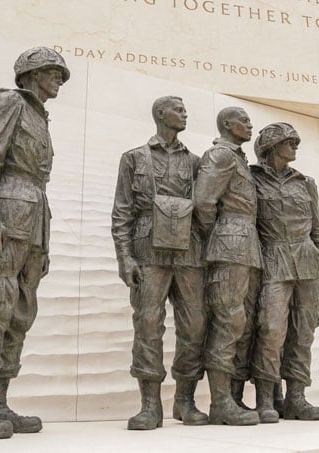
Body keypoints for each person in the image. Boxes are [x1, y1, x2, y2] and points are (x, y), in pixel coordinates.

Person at [0, 47, 69, 438]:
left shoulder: (40, 116)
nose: (59, 78)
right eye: (53, 71)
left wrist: (46, 241)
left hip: (34, 217)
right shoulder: (9, 102)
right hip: (5, 212)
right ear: (31, 73)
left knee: (20, 314)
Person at [111, 96, 208, 430]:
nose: (185, 114)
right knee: (148, 324)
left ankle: (185, 400)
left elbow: (207, 212)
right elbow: (122, 211)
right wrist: (124, 257)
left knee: (194, 326)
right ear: (160, 114)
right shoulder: (133, 158)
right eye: (178, 110)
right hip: (147, 249)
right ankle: (150, 405)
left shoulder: (197, 162)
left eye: (185, 109)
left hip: (189, 252)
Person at [249, 123, 319, 423]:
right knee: (271, 329)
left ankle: (297, 397)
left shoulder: (306, 183)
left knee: (303, 332)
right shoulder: (251, 179)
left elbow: (318, 229)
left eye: (296, 141)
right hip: (273, 257)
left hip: (308, 261)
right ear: (272, 146)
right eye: (290, 141)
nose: (296, 145)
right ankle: (266, 397)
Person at [194, 106, 261, 426]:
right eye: (244, 121)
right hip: (230, 244)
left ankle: (231, 398)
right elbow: (204, 202)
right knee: (228, 321)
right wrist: (219, 235)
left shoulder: (237, 158)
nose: (250, 125)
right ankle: (220, 402)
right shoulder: (220, 155)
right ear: (227, 124)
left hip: (245, 246)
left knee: (241, 324)